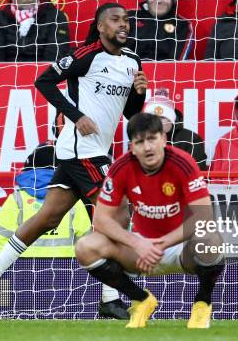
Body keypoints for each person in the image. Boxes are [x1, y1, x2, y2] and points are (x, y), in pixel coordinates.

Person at [0, 3, 148, 319]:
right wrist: (76, 116)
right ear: (100, 26)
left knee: (48, 218)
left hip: (90, 152)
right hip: (84, 151)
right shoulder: (86, 55)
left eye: (126, 20)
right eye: (115, 20)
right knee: (114, 215)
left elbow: (131, 114)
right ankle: (110, 299)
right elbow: (44, 81)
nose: (123, 25)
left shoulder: (133, 62)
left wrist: (139, 94)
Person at [74, 113, 224, 329]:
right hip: (140, 250)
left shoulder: (183, 163)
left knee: (211, 239)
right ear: (132, 147)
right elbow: (101, 220)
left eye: (152, 138)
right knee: (86, 246)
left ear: (164, 138)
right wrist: (138, 243)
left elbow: (204, 216)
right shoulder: (121, 167)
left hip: (181, 248)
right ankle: (141, 300)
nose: (147, 147)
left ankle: (202, 304)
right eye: (140, 141)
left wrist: (162, 243)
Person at [0, 140, 128, 318]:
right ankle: (110, 298)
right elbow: (86, 242)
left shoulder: (17, 199)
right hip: (65, 278)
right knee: (114, 213)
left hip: (18, 276)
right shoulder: (72, 201)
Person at [126, 0, 193, 60]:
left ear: (173, 0)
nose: (159, 0)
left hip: (165, 73)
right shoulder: (129, 18)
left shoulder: (182, 25)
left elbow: (177, 64)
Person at [143, 88, 207, 170]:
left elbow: (198, 172)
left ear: (172, 119)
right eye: (153, 117)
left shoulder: (191, 140)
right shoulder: (139, 138)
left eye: (162, 118)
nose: (157, 122)